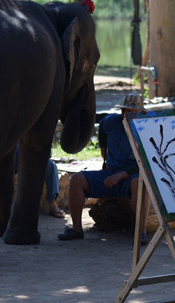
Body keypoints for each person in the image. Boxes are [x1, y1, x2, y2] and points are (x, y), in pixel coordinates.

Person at [59, 93, 145, 241]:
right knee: (77, 180)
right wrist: (104, 152)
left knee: (140, 183)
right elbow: (103, 128)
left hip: (132, 177)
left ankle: (140, 232)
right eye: (128, 112)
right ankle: (77, 229)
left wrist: (121, 175)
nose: (131, 117)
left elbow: (148, 164)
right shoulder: (111, 122)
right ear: (123, 112)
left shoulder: (147, 129)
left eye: (135, 113)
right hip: (110, 172)